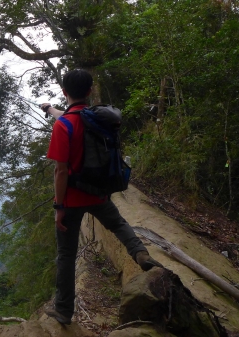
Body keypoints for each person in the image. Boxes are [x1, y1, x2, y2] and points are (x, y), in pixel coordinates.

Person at [39, 69, 162, 325]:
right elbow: (69, 116)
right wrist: (50, 109)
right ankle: (140, 253)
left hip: (72, 199)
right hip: (99, 194)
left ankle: (63, 311)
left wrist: (58, 206)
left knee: (66, 255)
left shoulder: (63, 127)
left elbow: (60, 171)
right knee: (118, 224)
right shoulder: (98, 119)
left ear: (65, 92)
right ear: (90, 91)